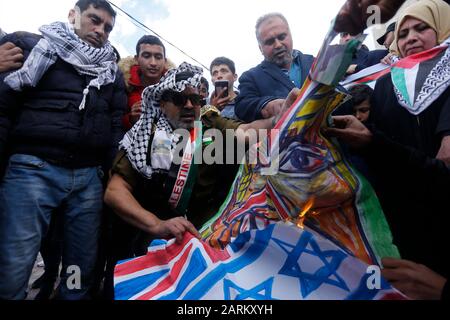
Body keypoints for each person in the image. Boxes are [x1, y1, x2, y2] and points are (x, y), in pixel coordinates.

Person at [104, 62, 292, 298]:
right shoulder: (144, 136)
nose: (190, 106)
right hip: (153, 242)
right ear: (162, 102)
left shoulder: (210, 125)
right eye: (180, 99)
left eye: (196, 99)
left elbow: (248, 131)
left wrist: (281, 116)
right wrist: (156, 224)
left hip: (204, 242)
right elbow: (114, 192)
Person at [0, 0, 127, 300]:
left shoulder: (111, 71)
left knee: (78, 269)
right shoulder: (31, 47)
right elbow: (4, 105)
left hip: (87, 181)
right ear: (73, 15)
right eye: (94, 20)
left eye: (107, 27)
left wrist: (110, 172)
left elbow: (114, 126)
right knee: (14, 267)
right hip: (32, 171)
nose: (100, 30)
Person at [326, 0, 450, 299]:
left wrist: (373, 143)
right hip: (403, 229)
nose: (411, 38)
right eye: (403, 33)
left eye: (422, 28)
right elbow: (376, 146)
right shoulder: (384, 86)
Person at [235, 13, 314, 122]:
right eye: (269, 42)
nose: (278, 45)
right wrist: (267, 106)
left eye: (282, 37)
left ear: (291, 36)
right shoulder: (251, 77)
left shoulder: (315, 63)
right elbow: (242, 106)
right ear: (260, 48)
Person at [120, 35, 175, 131]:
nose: (153, 63)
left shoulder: (177, 89)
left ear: (164, 61)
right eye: (146, 56)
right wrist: (130, 119)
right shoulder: (123, 85)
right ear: (136, 59)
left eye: (158, 57)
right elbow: (112, 122)